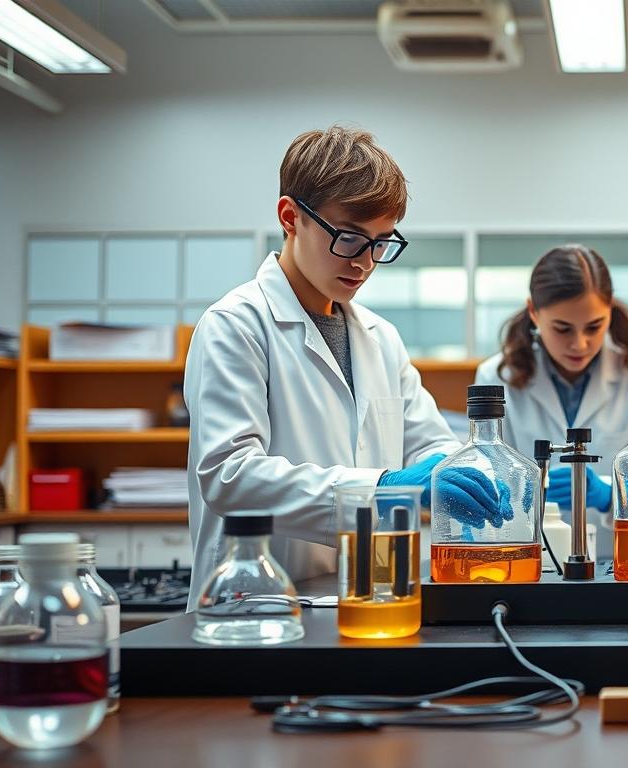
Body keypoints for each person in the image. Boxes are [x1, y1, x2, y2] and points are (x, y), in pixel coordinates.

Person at [186, 126, 502, 603]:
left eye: (381, 242)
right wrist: (383, 486)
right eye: (350, 238)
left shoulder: (381, 339)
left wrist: (458, 467)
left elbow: (429, 443)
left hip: (367, 596)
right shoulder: (236, 324)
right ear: (290, 217)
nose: (365, 263)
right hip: (259, 603)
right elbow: (229, 476)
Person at [474, 245, 628, 555]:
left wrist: (610, 494)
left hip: (621, 560)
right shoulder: (496, 377)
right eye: (562, 328)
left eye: (594, 326)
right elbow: (491, 476)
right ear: (533, 313)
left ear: (610, 310)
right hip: (534, 559)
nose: (579, 344)